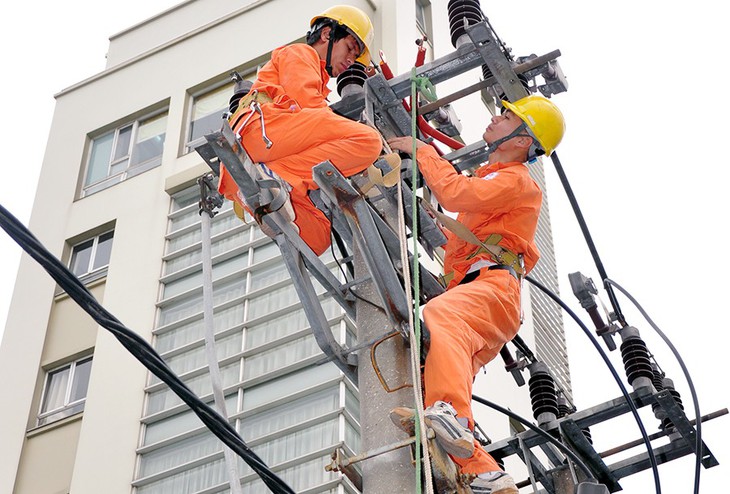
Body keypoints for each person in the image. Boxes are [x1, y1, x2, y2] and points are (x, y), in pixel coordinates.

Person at [387, 94, 566, 494]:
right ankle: (486, 472)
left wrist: (422, 151)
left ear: (523, 139)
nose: (495, 120)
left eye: (506, 117)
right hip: (484, 295)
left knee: (441, 321)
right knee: (434, 373)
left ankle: (450, 414)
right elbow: (457, 216)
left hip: (492, 289)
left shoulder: (516, 180)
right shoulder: (493, 178)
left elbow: (454, 195)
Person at [217, 5, 383, 256]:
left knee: (317, 237)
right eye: (350, 47)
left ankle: (266, 191)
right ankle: (275, 176)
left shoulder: (317, 79)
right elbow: (307, 102)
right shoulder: (300, 53)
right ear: (327, 34)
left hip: (270, 148)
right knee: (368, 141)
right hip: (261, 131)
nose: (351, 60)